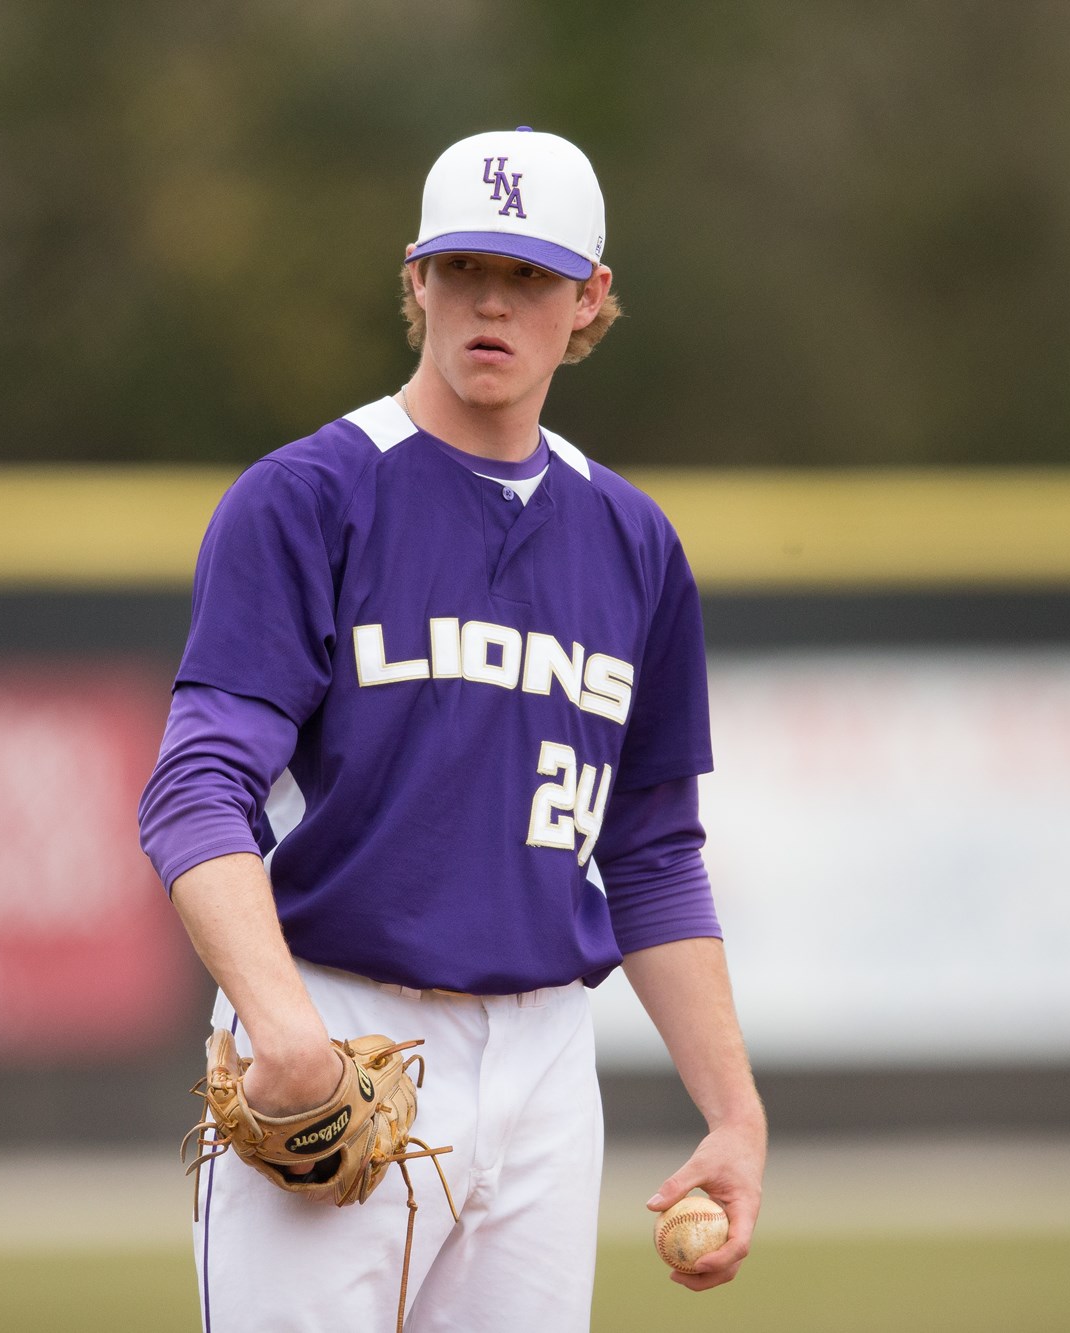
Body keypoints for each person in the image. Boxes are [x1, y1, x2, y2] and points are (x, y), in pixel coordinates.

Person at [139, 126, 764, 1333]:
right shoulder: (311, 497)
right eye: (465, 263)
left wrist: (732, 1111)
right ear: (415, 275)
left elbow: (649, 851)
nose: (491, 298)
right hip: (342, 1023)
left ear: (588, 298)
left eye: (528, 274)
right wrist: (285, 1030)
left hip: (545, 1063)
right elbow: (193, 792)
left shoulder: (631, 543)